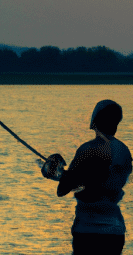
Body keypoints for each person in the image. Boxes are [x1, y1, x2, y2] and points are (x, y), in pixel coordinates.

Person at [42, 99, 132, 255]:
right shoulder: (124, 151)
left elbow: (63, 190)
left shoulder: (88, 149)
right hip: (115, 231)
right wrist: (71, 177)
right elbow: (104, 182)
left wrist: (58, 173)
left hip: (87, 230)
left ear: (95, 121)